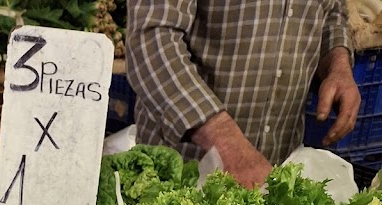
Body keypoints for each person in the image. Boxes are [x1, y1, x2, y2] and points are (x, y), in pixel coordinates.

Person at [124, 1, 362, 188]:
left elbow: (333, 12)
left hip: (279, 166)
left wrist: (338, 65)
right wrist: (228, 144)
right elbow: (151, 38)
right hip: (183, 173)